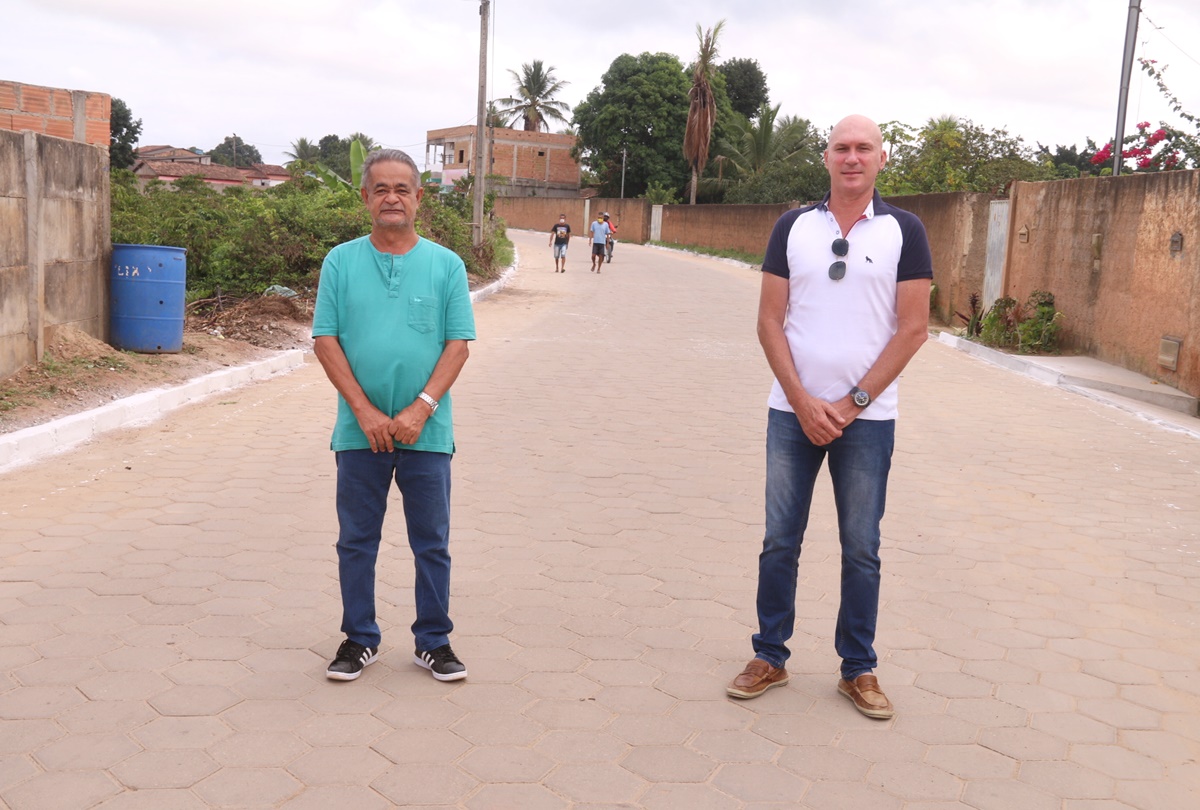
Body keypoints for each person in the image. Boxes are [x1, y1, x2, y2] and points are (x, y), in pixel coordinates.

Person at [726, 115, 932, 719]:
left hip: (866, 422)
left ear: (881, 159)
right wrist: (801, 400)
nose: (852, 157)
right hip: (792, 415)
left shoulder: (905, 230)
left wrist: (849, 405)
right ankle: (770, 655)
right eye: (842, 147)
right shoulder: (793, 227)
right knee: (779, 541)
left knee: (861, 546)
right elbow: (769, 320)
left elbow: (913, 328)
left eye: (863, 148)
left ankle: (858, 668)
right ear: (826, 157)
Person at [312, 148, 476, 683]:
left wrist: (419, 410)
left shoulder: (446, 265)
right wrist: (363, 411)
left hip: (426, 432)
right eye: (380, 189)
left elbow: (458, 346)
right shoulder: (340, 261)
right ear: (365, 198)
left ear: (419, 198)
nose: (391, 198)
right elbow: (325, 339)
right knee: (356, 539)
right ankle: (359, 637)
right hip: (359, 432)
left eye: (402, 189)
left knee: (431, 540)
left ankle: (434, 640)